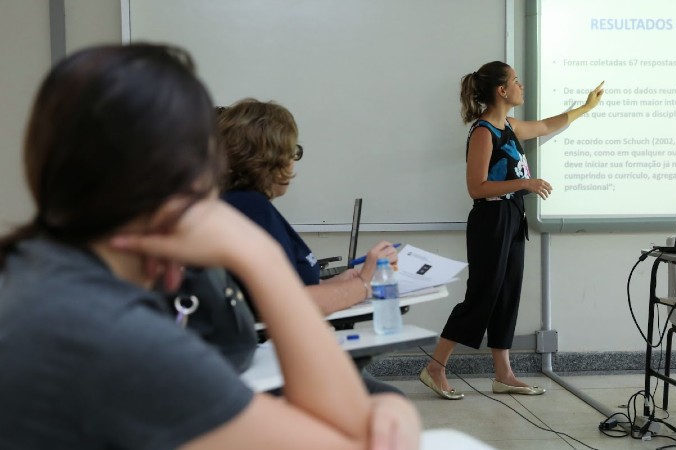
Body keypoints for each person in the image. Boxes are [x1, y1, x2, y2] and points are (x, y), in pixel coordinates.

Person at [0, 43, 420, 448]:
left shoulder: (36, 272)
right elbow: (355, 439)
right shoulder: (109, 332)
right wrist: (259, 258)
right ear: (186, 176)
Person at [419, 61, 604, 400]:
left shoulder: (509, 126)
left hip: (511, 216)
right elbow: (476, 187)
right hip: (491, 220)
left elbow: (548, 125)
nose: (522, 86)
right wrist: (525, 183)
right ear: (502, 91)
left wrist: (586, 107)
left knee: (506, 295)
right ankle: (435, 367)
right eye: (516, 81)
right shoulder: (483, 132)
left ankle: (503, 374)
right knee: (482, 296)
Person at [217, 100, 398, 316]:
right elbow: (294, 303)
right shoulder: (250, 208)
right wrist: (364, 283)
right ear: (271, 157)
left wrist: (341, 284)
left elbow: (287, 289)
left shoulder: (242, 203)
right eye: (292, 151)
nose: (293, 160)